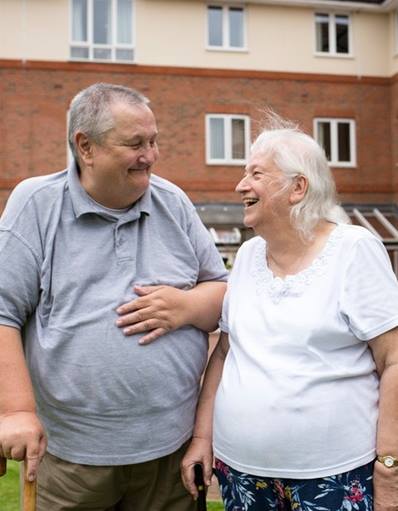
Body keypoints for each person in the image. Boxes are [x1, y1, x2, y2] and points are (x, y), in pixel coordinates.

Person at [0, 82, 227, 511]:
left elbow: (223, 292)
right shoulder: (37, 204)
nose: (151, 155)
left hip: (171, 454)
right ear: (85, 146)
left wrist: (187, 307)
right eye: (135, 143)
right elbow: (3, 312)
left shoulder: (173, 202)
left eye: (154, 141)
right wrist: (15, 411)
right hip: (73, 461)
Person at [181, 114, 398, 511]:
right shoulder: (246, 256)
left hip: (335, 475)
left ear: (298, 187)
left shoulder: (353, 250)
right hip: (243, 475)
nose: (240, 185)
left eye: (256, 174)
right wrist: (202, 438)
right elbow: (227, 352)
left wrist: (390, 470)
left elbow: (394, 360)